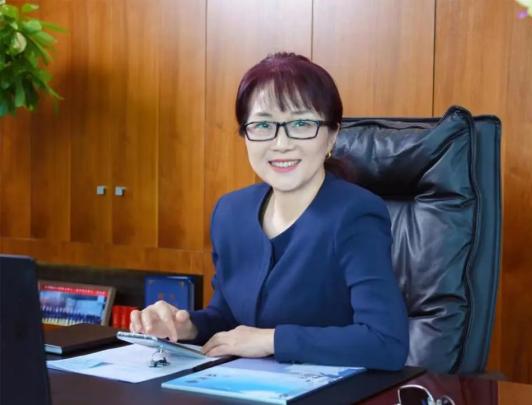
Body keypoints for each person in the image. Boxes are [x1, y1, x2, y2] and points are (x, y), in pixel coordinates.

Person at [130, 52, 409, 370]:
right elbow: (227, 317)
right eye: (263, 125)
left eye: (301, 123)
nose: (281, 143)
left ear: (332, 134)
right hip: (246, 386)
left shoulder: (355, 215)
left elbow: (386, 343)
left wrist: (271, 340)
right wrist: (183, 326)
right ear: (245, 135)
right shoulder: (230, 213)